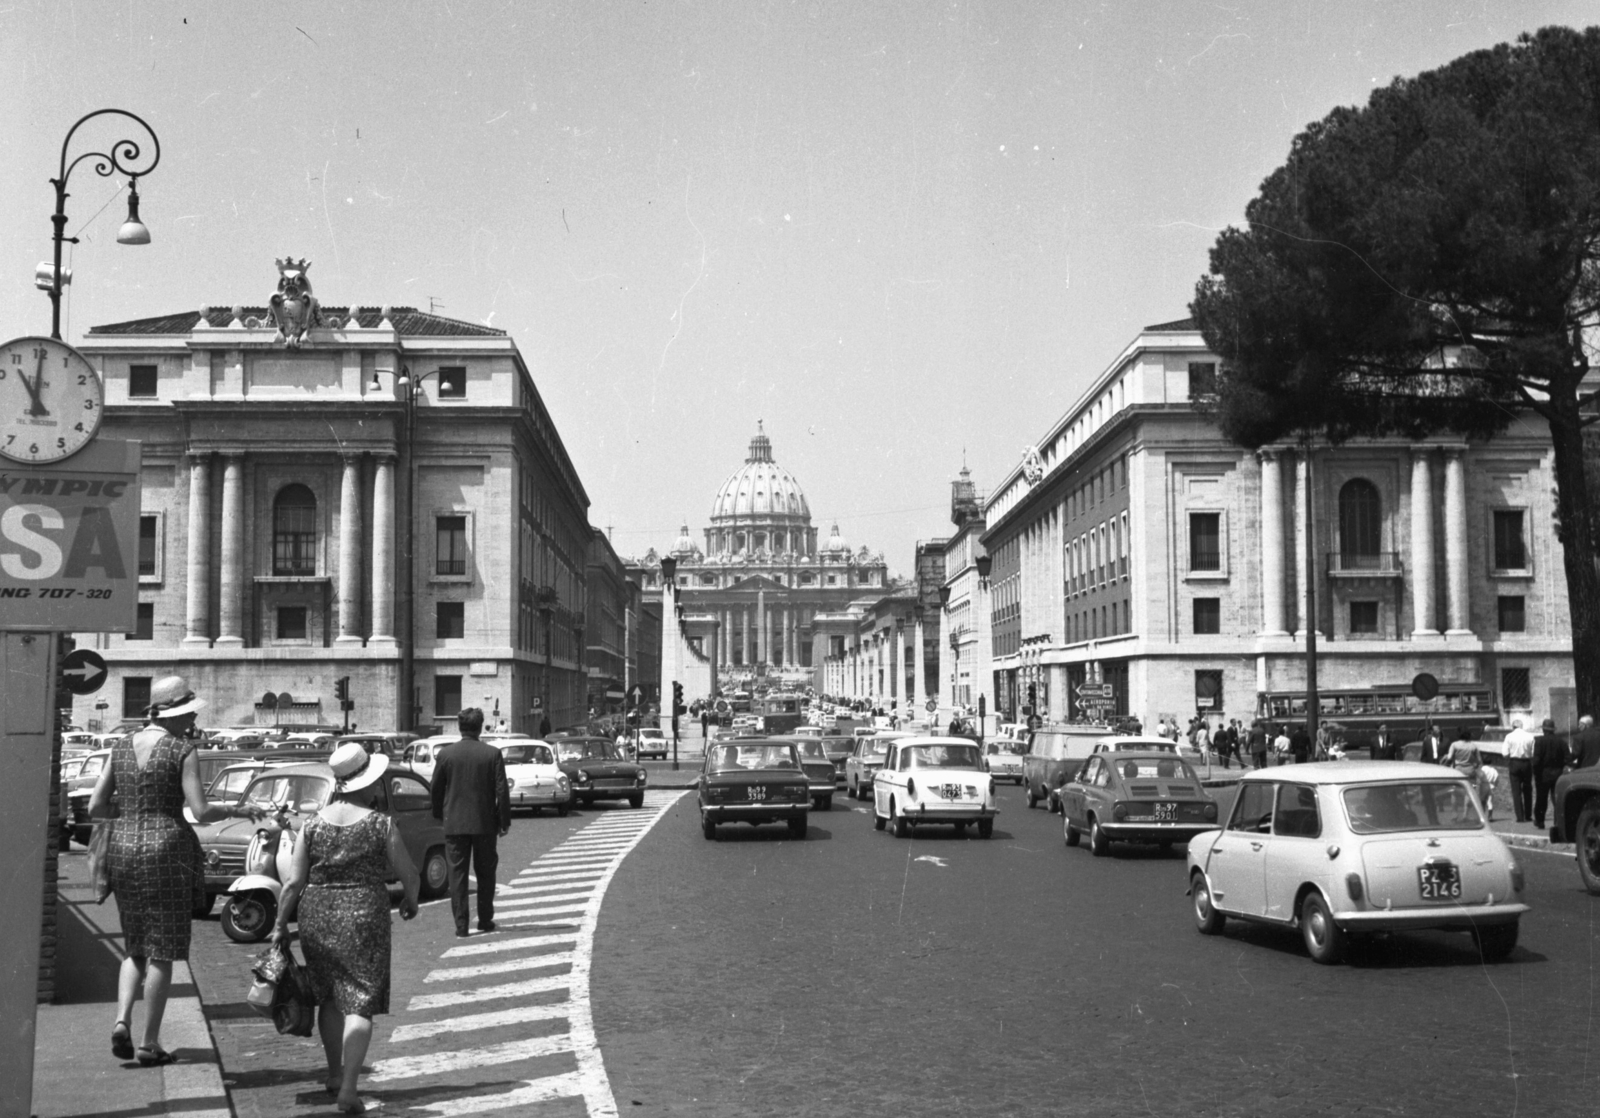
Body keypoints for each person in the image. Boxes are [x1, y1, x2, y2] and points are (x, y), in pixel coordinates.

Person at [87, 676, 268, 1067]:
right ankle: (149, 1042)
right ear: (176, 713)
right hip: (167, 850)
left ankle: (122, 1021)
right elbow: (201, 811)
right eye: (189, 713)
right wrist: (238, 809)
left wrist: (132, 815)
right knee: (163, 952)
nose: (193, 719)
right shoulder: (182, 749)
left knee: (134, 945)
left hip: (123, 848)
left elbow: (95, 807)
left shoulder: (119, 746)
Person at [275, 743, 419, 1113]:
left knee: (328, 996)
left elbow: (293, 882)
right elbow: (409, 873)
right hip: (363, 916)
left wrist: (280, 925)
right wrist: (411, 901)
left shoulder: (312, 824)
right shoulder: (379, 823)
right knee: (361, 1001)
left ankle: (335, 1073)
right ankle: (349, 1090)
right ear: (366, 782)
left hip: (316, 914)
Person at [430, 707, 511, 937]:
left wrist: (439, 814)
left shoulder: (446, 755)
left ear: (459, 726)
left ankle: (461, 925)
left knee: (457, 875)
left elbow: (436, 789)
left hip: (454, 823)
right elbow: (501, 791)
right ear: (479, 727)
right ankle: (485, 919)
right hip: (485, 823)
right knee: (485, 873)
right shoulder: (492, 754)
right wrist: (504, 820)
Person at [1446, 726, 1492, 820]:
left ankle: (1454, 814)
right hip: (1470, 771)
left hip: (1457, 771)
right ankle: (1465, 814)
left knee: (1454, 792)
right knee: (1469, 792)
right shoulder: (1473, 746)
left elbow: (1449, 758)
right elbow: (1479, 761)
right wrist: (1473, 765)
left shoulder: (1454, 745)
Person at [1533, 718, 1571, 829]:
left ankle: (1540, 821)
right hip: (1558, 774)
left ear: (1544, 730)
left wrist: (1535, 772)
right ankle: (1557, 822)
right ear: (1553, 730)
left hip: (1542, 775)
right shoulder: (1561, 742)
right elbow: (1568, 759)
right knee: (1557, 799)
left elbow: (1536, 760)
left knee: (1541, 799)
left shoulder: (1539, 741)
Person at [1502, 717, 1536, 823]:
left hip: (1514, 762)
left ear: (1513, 727)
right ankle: (1528, 815)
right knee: (1527, 789)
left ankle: (1520, 817)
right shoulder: (1530, 736)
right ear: (1522, 726)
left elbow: (1505, 753)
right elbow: (1533, 753)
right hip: (1526, 763)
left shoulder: (1509, 736)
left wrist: (1510, 759)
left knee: (1516, 791)